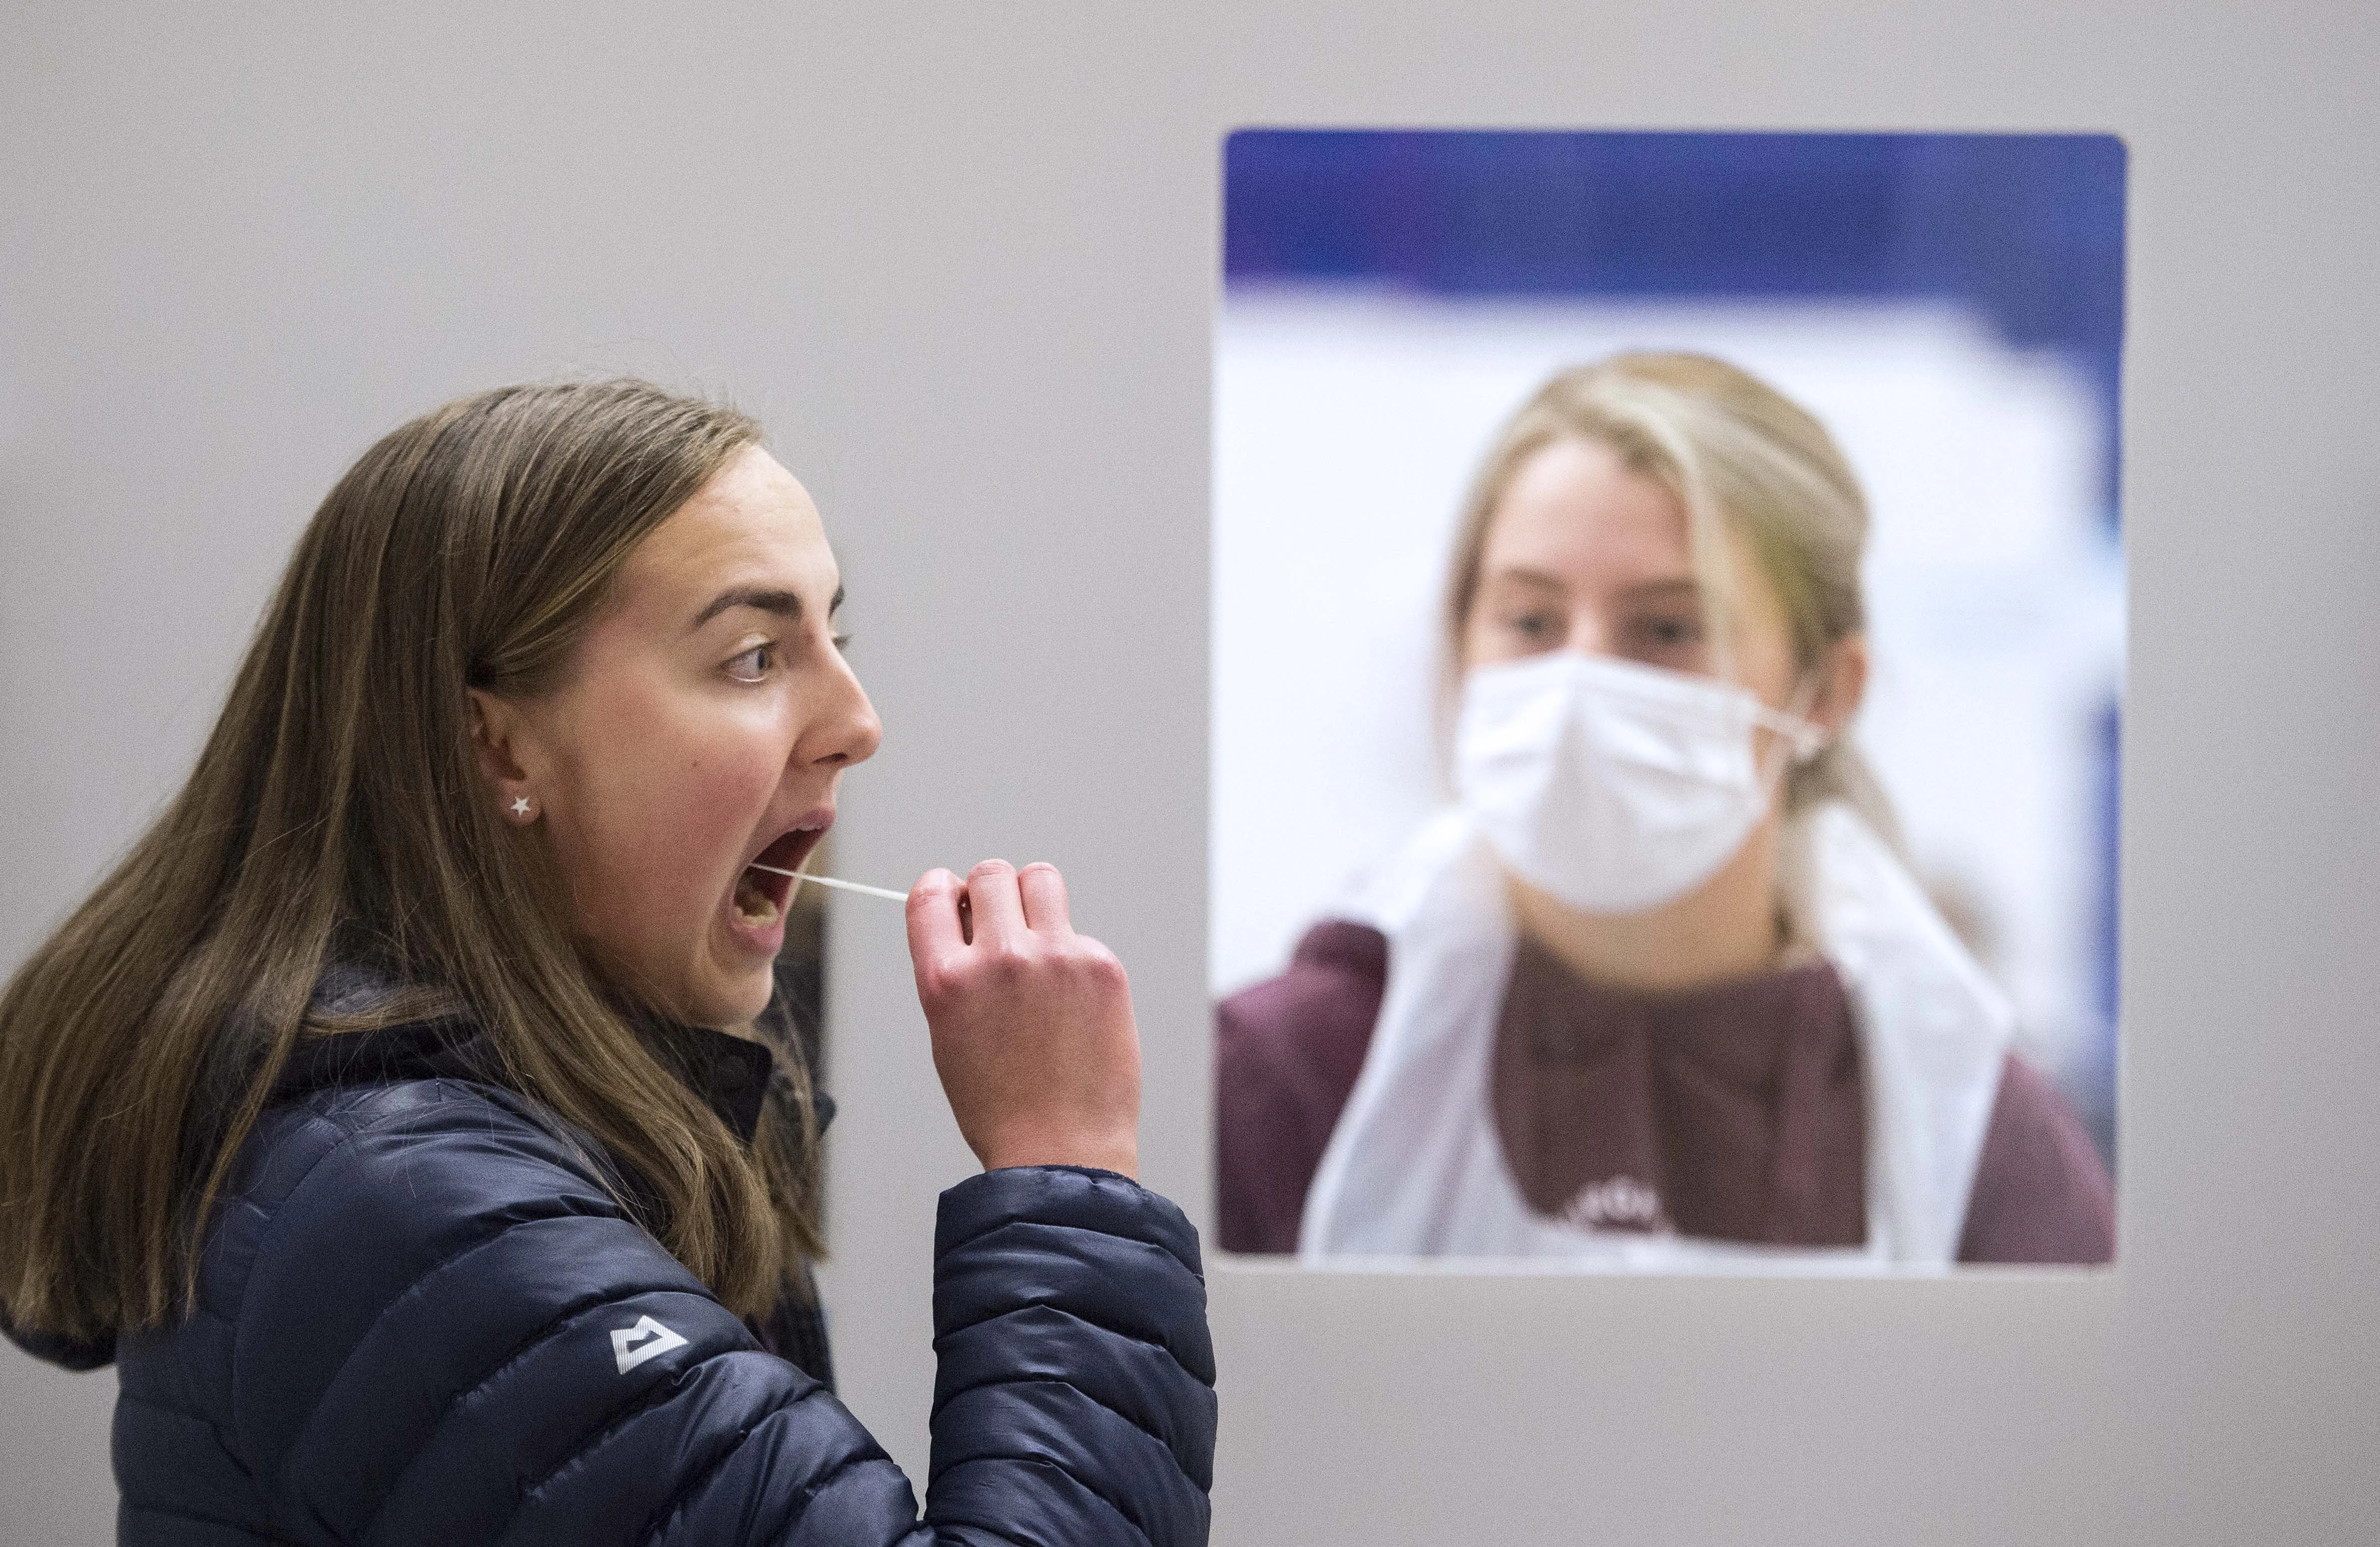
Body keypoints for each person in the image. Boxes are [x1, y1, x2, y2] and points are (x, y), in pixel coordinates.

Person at [0, 380, 1215, 1543]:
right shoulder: (423, 1220)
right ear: (501, 745)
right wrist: (1066, 1166)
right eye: (754, 655)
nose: (857, 723)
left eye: (832, 637)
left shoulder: (549, 1136)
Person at [1217, 352, 2113, 1267]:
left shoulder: (1957, 1120)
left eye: (1669, 629)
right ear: (1457, 645)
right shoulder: (1284, 1079)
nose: (1580, 681)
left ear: (1826, 693)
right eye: (1530, 621)